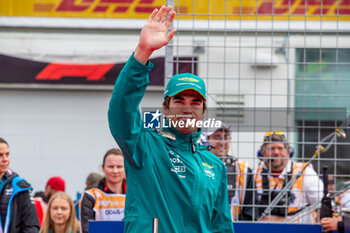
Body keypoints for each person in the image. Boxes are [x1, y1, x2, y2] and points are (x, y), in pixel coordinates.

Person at [108, 5, 234, 233]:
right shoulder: (144, 146)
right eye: (179, 101)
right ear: (165, 108)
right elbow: (121, 110)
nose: (187, 108)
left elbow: (221, 225)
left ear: (203, 112)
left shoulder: (215, 165)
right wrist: (142, 53)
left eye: (195, 103)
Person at [254, 131, 324, 223]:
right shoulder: (254, 175)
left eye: (280, 148)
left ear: (289, 153)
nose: (276, 152)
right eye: (271, 148)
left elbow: (321, 206)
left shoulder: (305, 172)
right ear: (262, 154)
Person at [203, 122, 256, 221]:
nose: (222, 142)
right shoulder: (196, 166)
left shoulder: (242, 169)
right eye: (217, 137)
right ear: (205, 139)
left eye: (226, 137)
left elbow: (250, 211)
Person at [79, 148, 126, 233]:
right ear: (103, 168)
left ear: (125, 168)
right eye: (111, 167)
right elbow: (87, 229)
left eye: (119, 167)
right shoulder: (91, 195)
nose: (115, 171)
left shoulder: (134, 196)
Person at [0, 137, 40, 232]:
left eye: (7, 154)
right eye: (0, 155)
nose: (5, 159)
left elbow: (31, 226)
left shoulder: (20, 186)